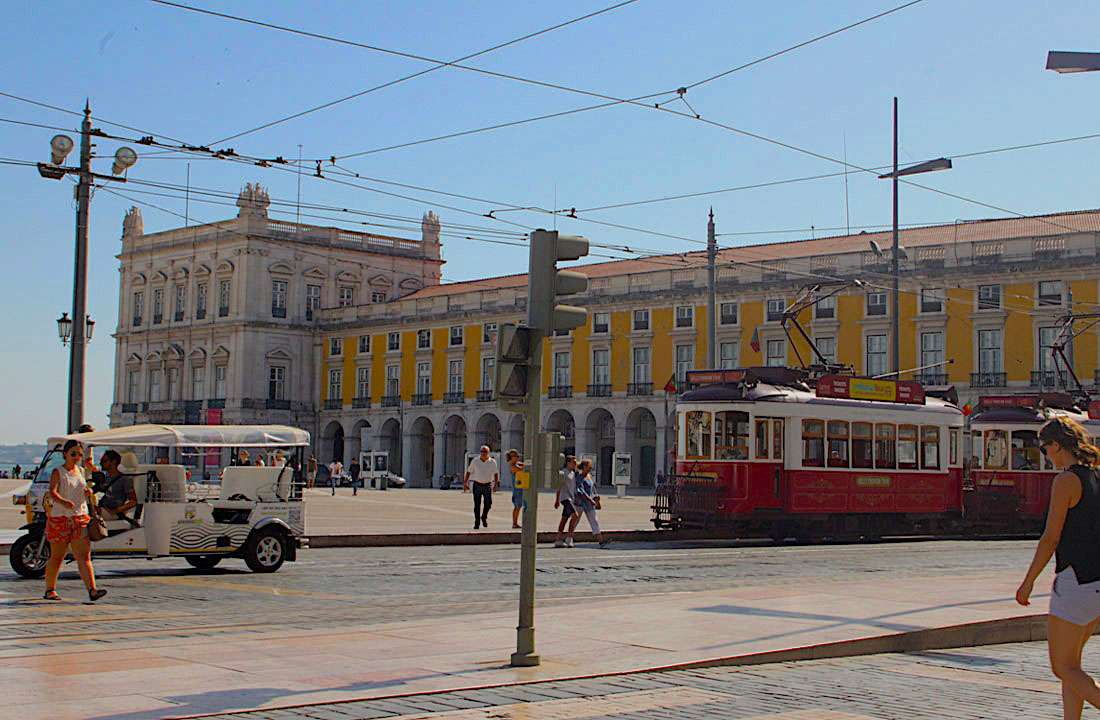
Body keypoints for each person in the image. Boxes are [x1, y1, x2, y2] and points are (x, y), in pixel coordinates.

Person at [1016, 417, 1100, 719]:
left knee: (1061, 667)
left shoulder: (1065, 481)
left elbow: (1050, 538)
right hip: (1096, 583)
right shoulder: (1096, 477)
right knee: (1072, 666)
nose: (1045, 455)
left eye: (1044, 448)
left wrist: (1027, 583)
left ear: (1058, 446)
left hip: (1074, 583)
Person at [43, 440, 106, 602]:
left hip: (80, 517)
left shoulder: (81, 471)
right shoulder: (58, 472)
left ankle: (92, 590)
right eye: (73, 454)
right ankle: (50, 589)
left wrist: (89, 491)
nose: (77, 457)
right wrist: (63, 501)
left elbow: (86, 487)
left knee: (84, 556)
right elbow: (52, 492)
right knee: (57, 556)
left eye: (79, 454)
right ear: (65, 454)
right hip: (60, 519)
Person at [570, 459, 610, 548]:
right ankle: (569, 538)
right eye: (589, 467)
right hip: (580, 503)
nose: (590, 468)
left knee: (594, 521)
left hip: (589, 504)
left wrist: (596, 498)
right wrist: (589, 499)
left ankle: (601, 541)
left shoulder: (589, 476)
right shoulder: (579, 477)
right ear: (584, 467)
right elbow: (580, 491)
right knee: (575, 521)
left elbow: (593, 488)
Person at [463, 445, 498, 529]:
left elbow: (496, 473)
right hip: (477, 485)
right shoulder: (475, 461)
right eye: (482, 451)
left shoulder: (492, 462)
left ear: (488, 453)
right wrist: (465, 483)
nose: (483, 453)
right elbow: (468, 472)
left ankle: (484, 516)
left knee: (488, 504)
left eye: (485, 452)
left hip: (487, 485)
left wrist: (496, 484)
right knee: (477, 505)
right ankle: (477, 522)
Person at [96, 450, 137, 521]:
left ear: (113, 462)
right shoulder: (107, 478)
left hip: (113, 513)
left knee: (87, 511)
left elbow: (133, 501)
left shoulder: (125, 479)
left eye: (104, 461)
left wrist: (115, 511)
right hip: (103, 508)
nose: (101, 463)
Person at [555, 456, 580, 548]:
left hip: (571, 498)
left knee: (564, 518)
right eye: (573, 462)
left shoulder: (573, 473)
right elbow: (559, 486)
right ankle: (569, 538)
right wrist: (557, 500)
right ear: (568, 463)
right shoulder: (564, 473)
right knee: (575, 516)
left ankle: (558, 539)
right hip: (565, 498)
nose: (575, 464)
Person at [505, 449, 525, 529]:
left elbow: (523, 465)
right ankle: (514, 523)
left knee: (519, 506)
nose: (517, 457)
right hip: (517, 489)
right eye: (514, 456)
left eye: (517, 456)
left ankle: (515, 522)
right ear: (511, 457)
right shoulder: (512, 466)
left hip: (521, 488)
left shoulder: (517, 464)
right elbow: (521, 469)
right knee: (517, 506)